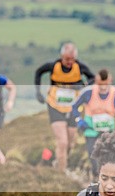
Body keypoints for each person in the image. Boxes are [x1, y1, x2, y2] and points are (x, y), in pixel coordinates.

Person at [35, 43, 95, 172]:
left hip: (73, 108)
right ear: (62, 56)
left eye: (72, 59)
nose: (70, 62)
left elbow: (93, 78)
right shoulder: (53, 66)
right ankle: (61, 173)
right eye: (67, 59)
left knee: (70, 143)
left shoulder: (79, 67)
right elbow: (39, 72)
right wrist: (38, 91)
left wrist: (83, 85)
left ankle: (59, 161)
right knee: (62, 141)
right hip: (55, 106)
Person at [71, 69, 115, 178]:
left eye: (105, 84)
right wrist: (79, 121)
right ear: (96, 81)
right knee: (93, 157)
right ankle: (95, 178)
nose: (103, 87)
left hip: (109, 133)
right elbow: (74, 107)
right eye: (100, 84)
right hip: (91, 130)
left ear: (110, 81)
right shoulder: (87, 92)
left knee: (110, 158)